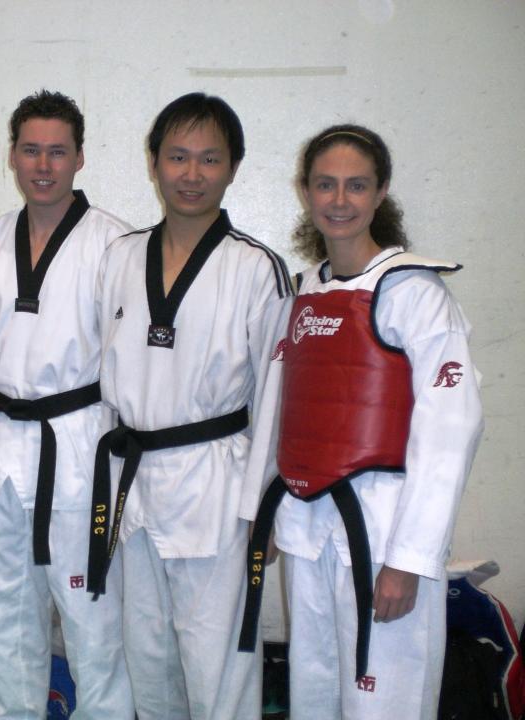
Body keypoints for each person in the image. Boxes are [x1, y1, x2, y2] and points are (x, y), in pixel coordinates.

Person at [240, 124, 484, 719]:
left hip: (382, 532)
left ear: (381, 193)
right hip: (304, 525)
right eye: (325, 185)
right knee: (315, 693)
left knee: (384, 702)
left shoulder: (414, 293)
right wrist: (260, 518)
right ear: (305, 192)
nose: (340, 200)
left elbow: (451, 429)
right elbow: (274, 408)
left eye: (356, 185)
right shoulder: (303, 293)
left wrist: (410, 558)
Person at [88, 92, 292, 719]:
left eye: (209, 159)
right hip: (133, 482)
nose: (192, 174)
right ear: (153, 164)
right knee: (146, 654)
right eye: (178, 157)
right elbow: (103, 373)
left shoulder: (257, 268)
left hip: (216, 485)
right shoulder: (120, 257)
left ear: (233, 168)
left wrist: (267, 504)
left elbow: (276, 396)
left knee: (218, 661)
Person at [0, 89, 135, 719]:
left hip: (79, 452)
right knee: (2, 614)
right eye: (30, 150)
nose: (42, 164)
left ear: (80, 159)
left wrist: (127, 469)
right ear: (12, 157)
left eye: (57, 151)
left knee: (91, 619)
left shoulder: (117, 244)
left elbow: (132, 363)